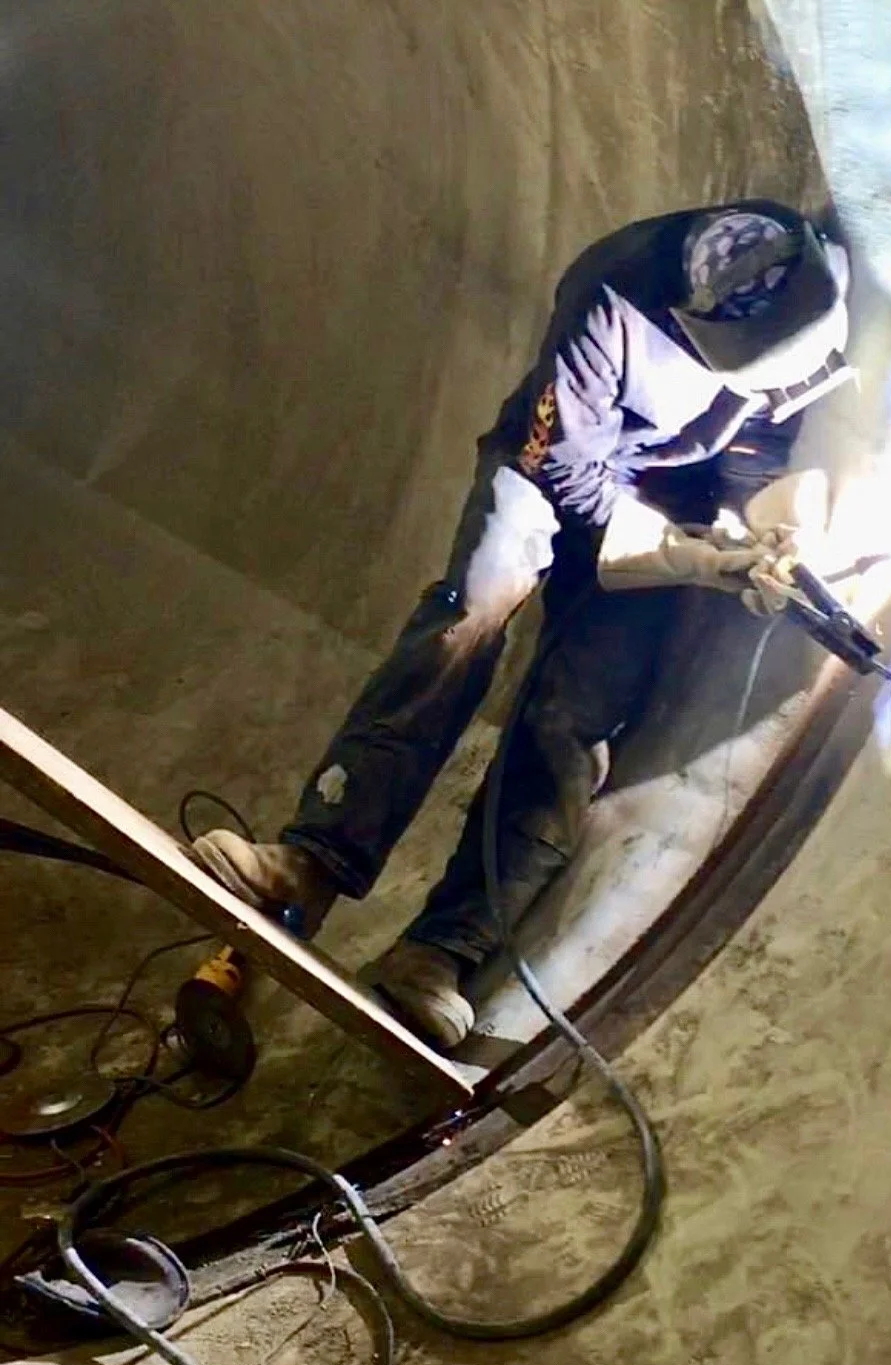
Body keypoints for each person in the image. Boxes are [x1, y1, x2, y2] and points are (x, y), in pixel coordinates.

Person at [191, 198, 854, 1049]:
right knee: (469, 614)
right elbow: (561, 461)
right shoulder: (612, 287)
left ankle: (441, 951)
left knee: (574, 716)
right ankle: (310, 865)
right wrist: (671, 552)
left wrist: (744, 536)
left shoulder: (810, 286)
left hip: (673, 503)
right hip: (563, 468)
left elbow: (756, 446)